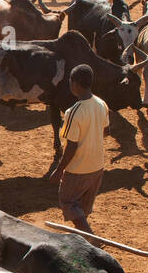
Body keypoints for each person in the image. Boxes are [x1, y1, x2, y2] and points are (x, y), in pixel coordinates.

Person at [45, 64, 108, 232]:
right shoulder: (102, 104)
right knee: (82, 208)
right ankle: (83, 236)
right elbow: (106, 131)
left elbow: (72, 146)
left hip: (79, 168)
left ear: (75, 84)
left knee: (68, 201)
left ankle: (89, 236)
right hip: (97, 166)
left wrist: (59, 170)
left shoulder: (73, 112)